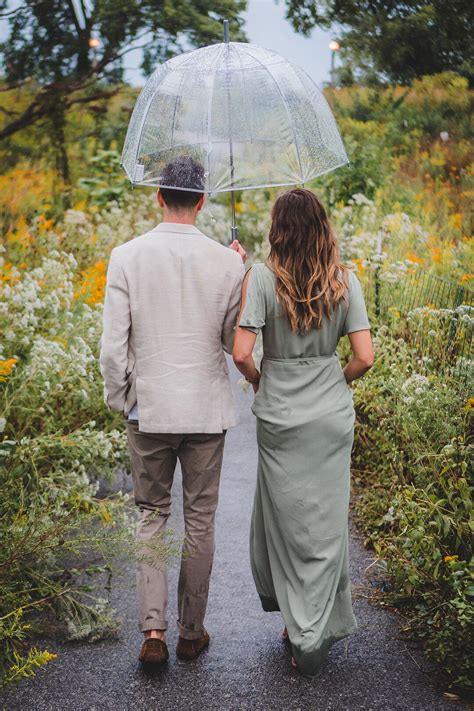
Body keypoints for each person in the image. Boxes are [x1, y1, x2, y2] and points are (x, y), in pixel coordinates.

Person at [100, 156, 246, 666]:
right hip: (205, 412)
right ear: (203, 200)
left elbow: (113, 349)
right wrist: (238, 273)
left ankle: (153, 633)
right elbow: (233, 343)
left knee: (151, 516)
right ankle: (192, 632)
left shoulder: (126, 256)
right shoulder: (229, 262)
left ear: (158, 195)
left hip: (150, 410)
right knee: (200, 519)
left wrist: (123, 399)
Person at [232, 188, 374, 677]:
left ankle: (301, 629)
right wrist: (335, 380)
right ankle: (313, 622)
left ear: (279, 226)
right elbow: (364, 356)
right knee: (326, 522)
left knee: (287, 520)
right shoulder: (345, 280)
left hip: (280, 413)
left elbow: (242, 353)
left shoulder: (263, 278)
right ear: (322, 225)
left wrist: (259, 381)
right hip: (331, 413)